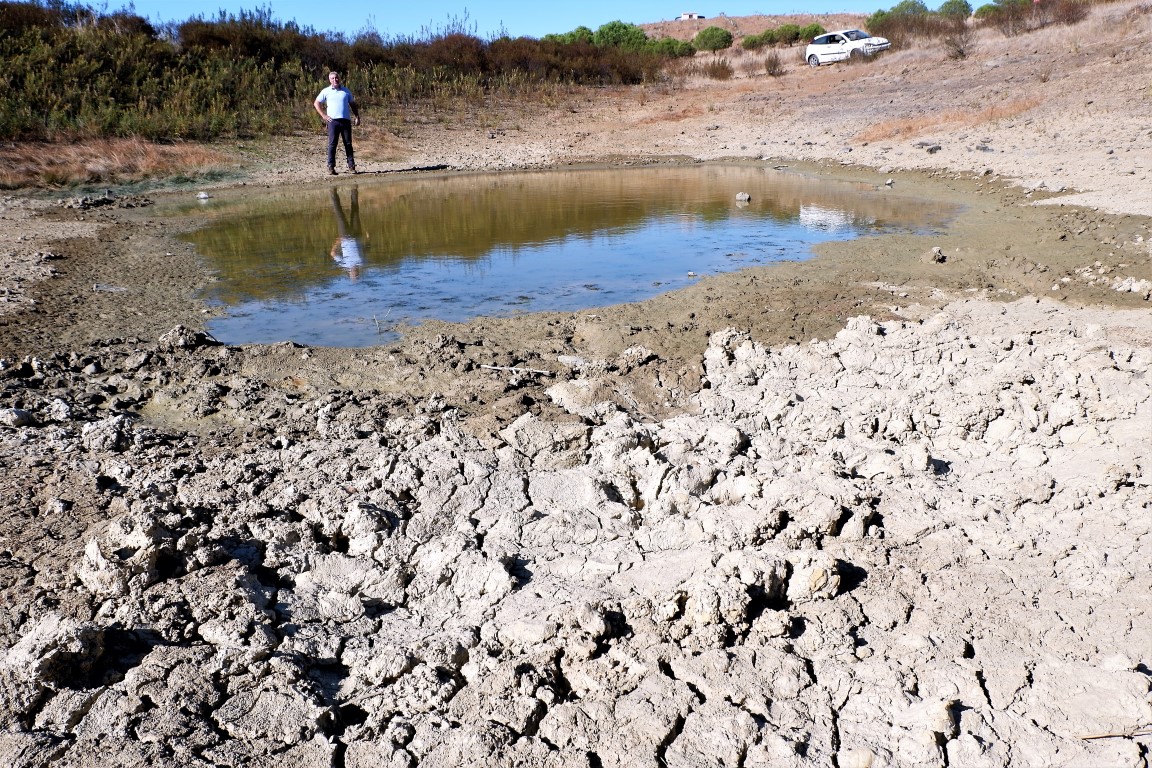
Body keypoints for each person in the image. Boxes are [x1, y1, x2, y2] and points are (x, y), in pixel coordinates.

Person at [314, 71, 360, 175]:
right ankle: (331, 167)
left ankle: (351, 166)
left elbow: (352, 104)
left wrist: (357, 116)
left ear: (339, 78)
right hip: (333, 122)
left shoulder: (346, 91)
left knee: (348, 144)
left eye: (336, 78)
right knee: (332, 144)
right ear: (330, 80)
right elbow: (316, 103)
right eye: (332, 78)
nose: (335, 80)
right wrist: (323, 115)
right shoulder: (326, 91)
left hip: (345, 121)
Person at [330, 186, 364, 280]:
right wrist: (367, 238)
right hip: (357, 234)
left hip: (344, 236)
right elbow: (364, 249)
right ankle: (354, 190)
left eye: (353, 274)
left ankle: (333, 192)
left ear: (349, 273)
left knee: (339, 214)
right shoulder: (362, 262)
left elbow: (333, 253)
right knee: (355, 212)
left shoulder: (344, 264)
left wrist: (338, 242)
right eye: (356, 274)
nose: (355, 272)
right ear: (358, 272)